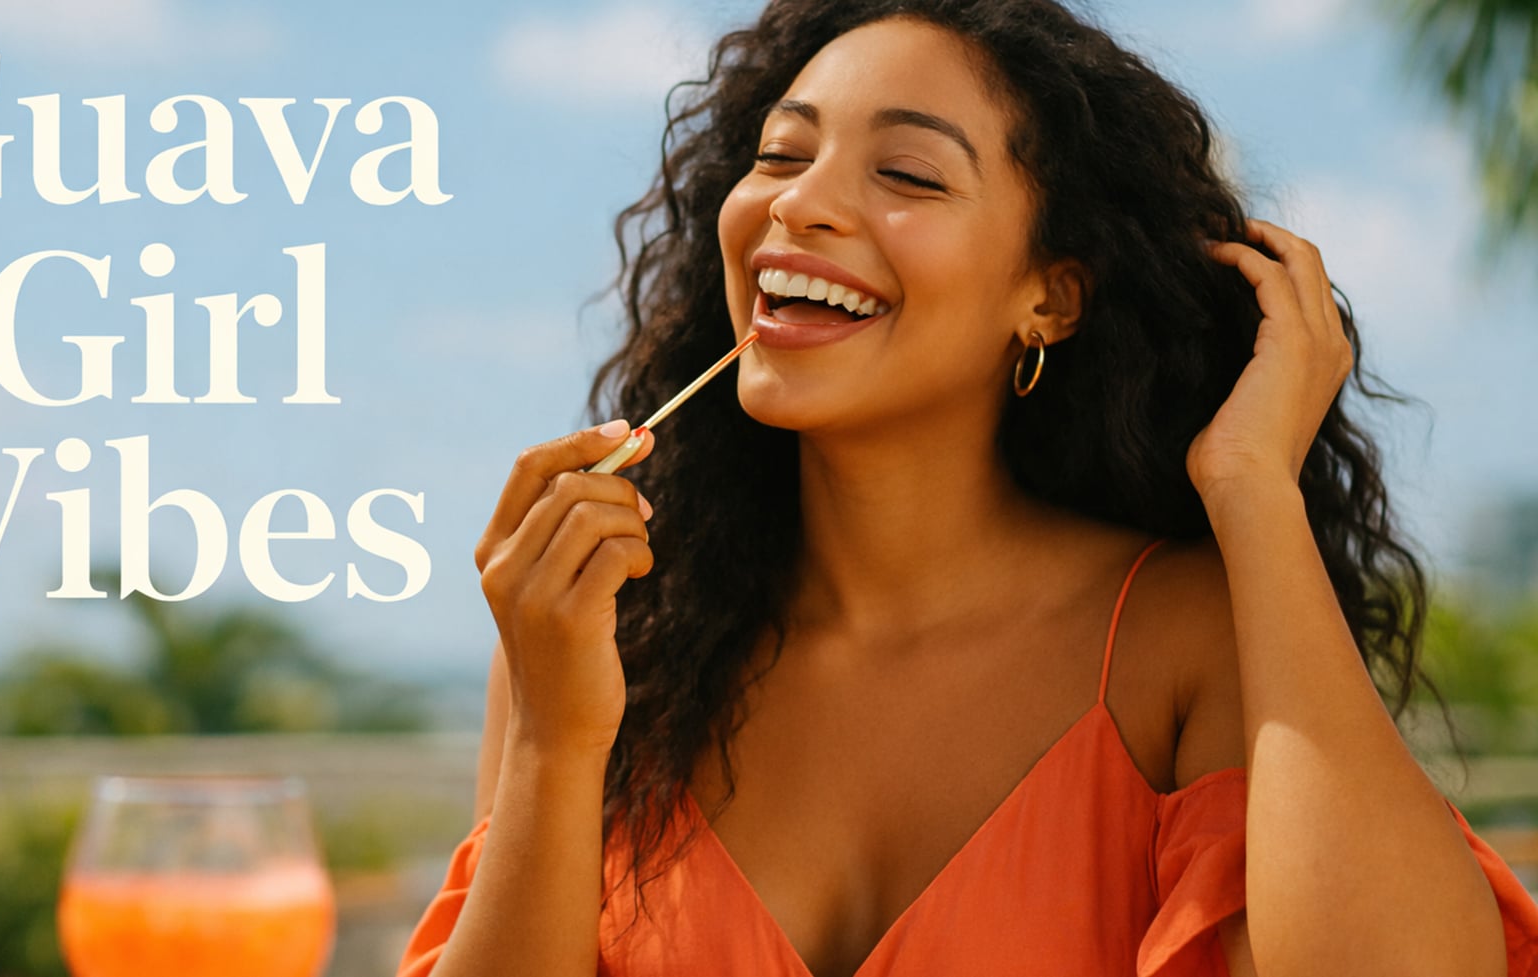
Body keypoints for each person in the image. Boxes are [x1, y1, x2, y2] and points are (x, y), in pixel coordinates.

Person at [399, 1, 1538, 975]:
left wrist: (1253, 490)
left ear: (1048, 297)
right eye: (780, 156)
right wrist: (554, 743)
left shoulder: (1181, 640)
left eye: (903, 172)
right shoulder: (599, 638)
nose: (798, 205)